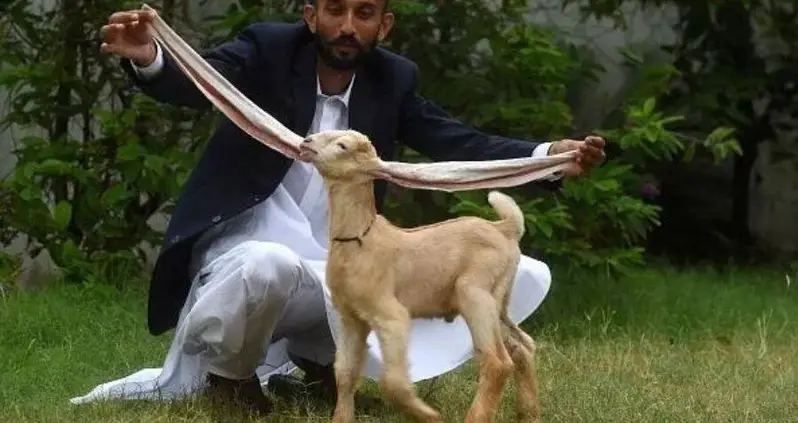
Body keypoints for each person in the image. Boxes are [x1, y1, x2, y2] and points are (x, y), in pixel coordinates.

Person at [76, 0, 606, 415]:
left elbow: (456, 142)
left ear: (385, 25)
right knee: (265, 266)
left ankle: (314, 364)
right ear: (312, 17)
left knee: (426, 276)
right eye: (335, 11)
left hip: (340, 264)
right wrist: (150, 56)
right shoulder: (267, 48)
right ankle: (230, 382)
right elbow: (202, 82)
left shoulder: (394, 79)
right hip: (245, 246)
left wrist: (546, 159)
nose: (348, 25)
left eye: (364, 13)